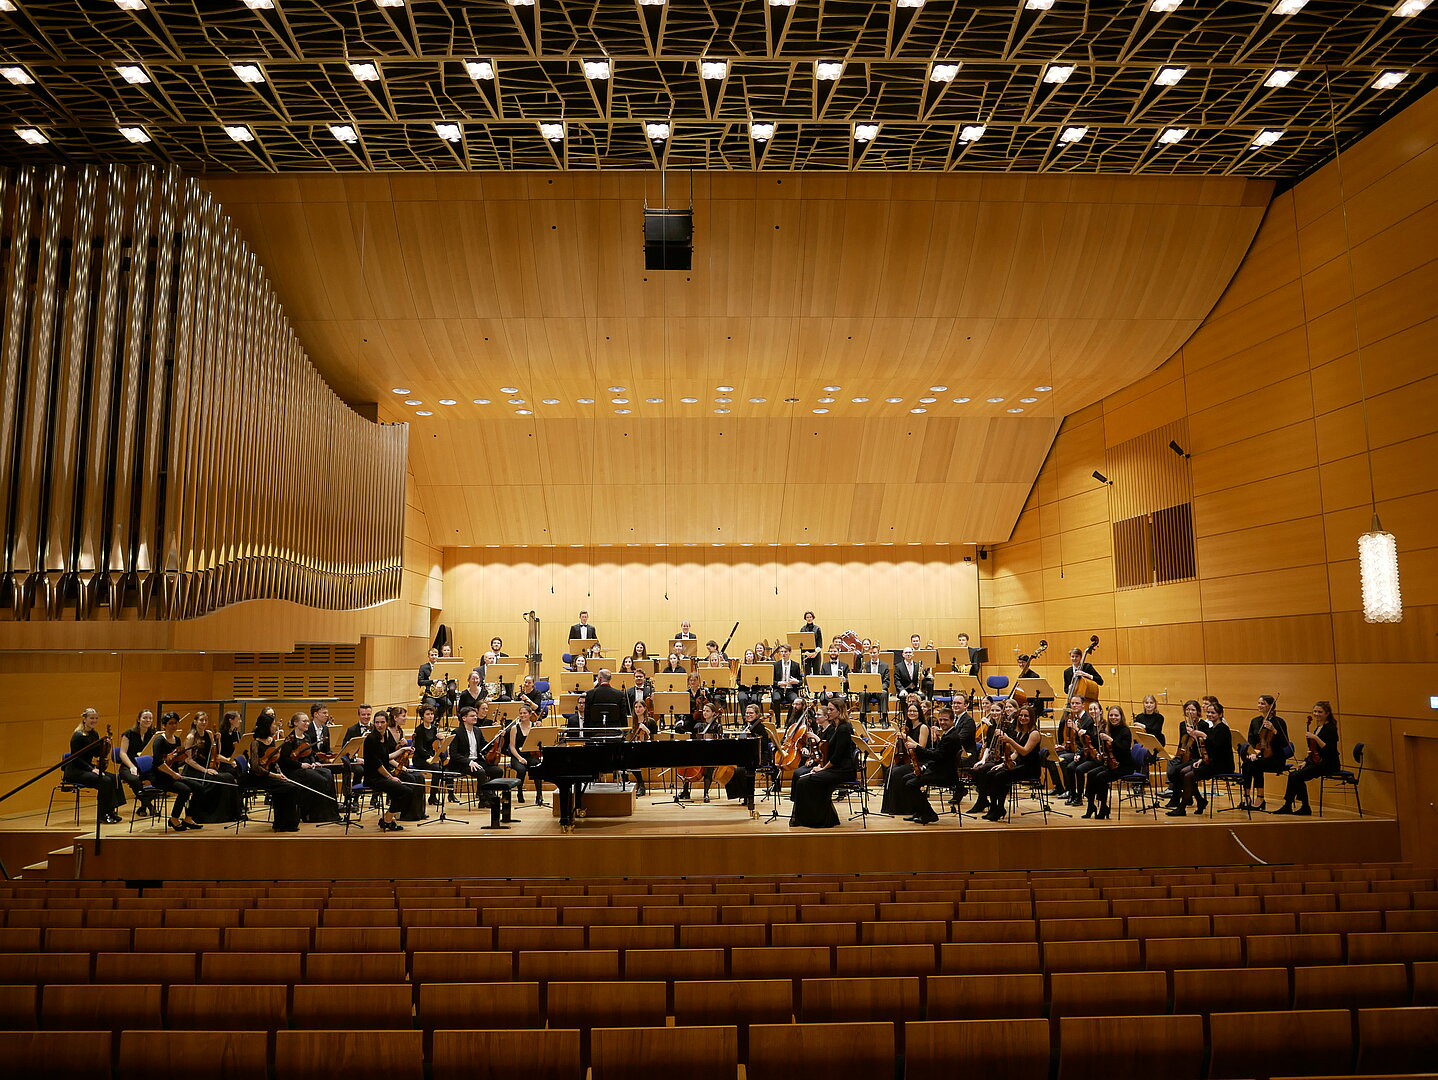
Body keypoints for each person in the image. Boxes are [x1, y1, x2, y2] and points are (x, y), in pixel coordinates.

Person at [789, 698, 859, 829]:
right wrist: (821, 766)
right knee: (803, 779)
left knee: (805, 781)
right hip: (836, 768)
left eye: (831, 710)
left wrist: (823, 769)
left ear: (840, 711)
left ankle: (818, 819)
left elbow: (837, 757)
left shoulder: (844, 728)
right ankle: (816, 817)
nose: (829, 712)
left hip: (843, 771)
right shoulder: (838, 727)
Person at [971, 705, 1043, 821]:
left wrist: (1009, 740)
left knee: (1001, 776)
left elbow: (1024, 752)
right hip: (1019, 765)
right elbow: (1016, 753)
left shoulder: (1034, 733)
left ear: (1032, 718)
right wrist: (1004, 764)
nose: (1023, 718)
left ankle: (1000, 808)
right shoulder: (1021, 732)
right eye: (1021, 715)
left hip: (1030, 768)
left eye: (1026, 716)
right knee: (991, 773)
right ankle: (993, 807)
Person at [1169, 699, 1233, 817]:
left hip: (1221, 764)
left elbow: (1218, 748)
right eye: (1208, 712)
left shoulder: (1223, 729)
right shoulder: (1212, 728)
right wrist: (1201, 759)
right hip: (1210, 761)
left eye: (1213, 713)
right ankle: (1200, 801)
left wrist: (1204, 736)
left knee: (1188, 776)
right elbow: (1207, 749)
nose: (1210, 715)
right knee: (1182, 772)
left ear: (1220, 714)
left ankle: (1182, 808)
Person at [1274, 701, 1341, 816]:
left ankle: (1298, 806)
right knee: (1294, 775)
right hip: (1318, 762)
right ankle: (1292, 806)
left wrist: (1315, 737)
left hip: (1328, 763)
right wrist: (1305, 761)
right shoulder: (1319, 727)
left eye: (1320, 712)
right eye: (1315, 711)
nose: (1316, 714)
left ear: (1327, 713)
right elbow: (1314, 750)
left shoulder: (1330, 728)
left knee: (1296, 776)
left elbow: (1329, 750)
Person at [365, 711, 422, 831]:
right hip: (374, 778)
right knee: (406, 792)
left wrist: (402, 750)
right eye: (377, 722)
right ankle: (387, 819)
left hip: (383, 775)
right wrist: (391, 777)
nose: (379, 725)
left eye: (382, 722)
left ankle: (388, 819)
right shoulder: (371, 739)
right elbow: (377, 764)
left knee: (408, 787)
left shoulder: (384, 736)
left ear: (387, 722)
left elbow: (386, 757)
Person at [64, 708, 123, 825]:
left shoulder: (94, 734)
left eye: (96, 718)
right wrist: (92, 769)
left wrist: (106, 746)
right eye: (91, 718)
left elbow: (96, 754)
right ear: (84, 719)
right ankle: (102, 815)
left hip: (87, 768)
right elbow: (76, 759)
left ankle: (111, 811)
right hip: (75, 770)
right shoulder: (78, 736)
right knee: (105, 781)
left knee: (114, 777)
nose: (94, 720)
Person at [245, 710, 300, 831]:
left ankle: (284, 823)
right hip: (259, 777)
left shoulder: (271, 740)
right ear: (266, 726)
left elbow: (274, 762)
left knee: (291, 787)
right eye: (273, 724)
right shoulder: (255, 743)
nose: (275, 726)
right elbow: (255, 767)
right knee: (288, 788)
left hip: (271, 775)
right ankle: (283, 823)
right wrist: (274, 776)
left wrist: (281, 774)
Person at [183, 711, 242, 823]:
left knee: (228, 777)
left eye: (206, 720)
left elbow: (216, 752)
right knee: (219, 780)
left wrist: (218, 740)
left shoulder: (209, 734)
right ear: (195, 722)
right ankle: (209, 815)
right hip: (193, 771)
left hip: (207, 768)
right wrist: (205, 770)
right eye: (201, 720)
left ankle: (229, 814)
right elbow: (188, 760)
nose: (204, 722)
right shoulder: (191, 737)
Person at [281, 713, 339, 823]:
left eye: (308, 721)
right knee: (319, 779)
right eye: (304, 721)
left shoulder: (307, 737)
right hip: (295, 770)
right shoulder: (290, 739)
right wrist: (300, 765)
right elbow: (284, 760)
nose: (307, 723)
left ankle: (330, 813)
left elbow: (310, 754)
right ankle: (314, 815)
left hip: (307, 767)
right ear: (295, 723)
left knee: (327, 773)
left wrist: (314, 762)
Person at [150, 711, 202, 831]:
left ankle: (188, 818)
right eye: (170, 723)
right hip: (161, 777)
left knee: (198, 787)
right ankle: (174, 819)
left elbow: (175, 761)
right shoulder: (159, 741)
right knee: (185, 790)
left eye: (175, 723)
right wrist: (173, 774)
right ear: (164, 725)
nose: (174, 726)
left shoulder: (177, 740)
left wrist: (184, 757)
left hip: (174, 775)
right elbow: (158, 763)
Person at [881, 699, 931, 815]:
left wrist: (906, 737)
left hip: (920, 762)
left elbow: (921, 747)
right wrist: (893, 745)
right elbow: (905, 747)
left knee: (896, 773)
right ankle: (890, 807)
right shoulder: (908, 727)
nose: (911, 713)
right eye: (909, 711)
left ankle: (904, 808)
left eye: (914, 711)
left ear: (919, 713)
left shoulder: (923, 727)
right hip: (910, 760)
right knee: (890, 770)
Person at [1241, 695, 1291, 811]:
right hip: (1259, 755)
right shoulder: (1255, 721)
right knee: (1247, 764)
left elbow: (1285, 743)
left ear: (1271, 706)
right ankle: (1247, 797)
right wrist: (1252, 753)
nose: (1259, 705)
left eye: (1263, 703)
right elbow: (1251, 741)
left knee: (1256, 764)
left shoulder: (1279, 722)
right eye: (1259, 703)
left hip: (1275, 758)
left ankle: (1260, 798)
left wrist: (1274, 730)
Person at [1084, 705, 1133, 819]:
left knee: (1101, 777)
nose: (1113, 717)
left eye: (1116, 715)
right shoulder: (1108, 730)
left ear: (1121, 716)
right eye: (1111, 715)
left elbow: (1124, 750)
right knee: (1091, 774)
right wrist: (1101, 753)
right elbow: (1105, 747)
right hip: (1111, 764)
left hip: (1124, 765)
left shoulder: (1125, 731)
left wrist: (1111, 740)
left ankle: (1103, 807)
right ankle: (1091, 806)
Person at [116, 708, 157, 817]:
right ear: (139, 719)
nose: (148, 720)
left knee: (160, 778)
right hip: (128, 765)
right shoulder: (128, 733)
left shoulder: (153, 734)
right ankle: (149, 806)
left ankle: (143, 806)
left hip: (146, 766)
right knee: (134, 779)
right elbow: (122, 753)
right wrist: (131, 767)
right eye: (145, 718)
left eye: (150, 718)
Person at [506, 703, 546, 804]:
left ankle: (539, 795)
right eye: (521, 713)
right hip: (517, 756)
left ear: (530, 714)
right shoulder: (514, 728)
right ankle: (519, 792)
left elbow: (541, 742)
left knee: (537, 766)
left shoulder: (534, 726)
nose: (522, 715)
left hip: (531, 755)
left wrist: (540, 728)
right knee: (521, 769)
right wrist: (519, 758)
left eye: (525, 713)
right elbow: (512, 747)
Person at [583, 669, 629, 736]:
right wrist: (624, 733)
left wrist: (586, 734)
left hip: (595, 732)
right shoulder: (619, 694)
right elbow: (623, 715)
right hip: (615, 732)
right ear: (610, 679)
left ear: (600, 679)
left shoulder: (590, 694)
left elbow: (587, 716)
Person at [856, 644, 890, 725]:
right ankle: (862, 718)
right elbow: (861, 680)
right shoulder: (865, 665)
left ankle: (884, 719)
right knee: (863, 693)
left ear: (878, 653)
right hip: (868, 690)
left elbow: (886, 682)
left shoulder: (885, 665)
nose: (872, 655)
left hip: (880, 690)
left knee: (884, 693)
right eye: (871, 653)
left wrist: (880, 688)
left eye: (874, 653)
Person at [771, 644, 804, 719]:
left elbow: (801, 681)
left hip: (790, 690)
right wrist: (778, 683)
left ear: (790, 652)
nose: (783, 653)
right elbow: (771, 681)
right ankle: (778, 721)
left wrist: (796, 681)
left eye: (785, 652)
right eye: (782, 652)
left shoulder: (796, 665)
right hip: (779, 689)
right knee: (776, 699)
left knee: (795, 700)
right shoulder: (776, 665)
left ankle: (788, 721)